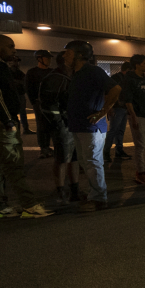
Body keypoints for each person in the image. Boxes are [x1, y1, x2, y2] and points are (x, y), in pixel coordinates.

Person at [0, 35, 52, 219]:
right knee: (13, 164)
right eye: (10, 46)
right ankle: (29, 205)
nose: (14, 49)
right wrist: (8, 120)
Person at [64, 40, 121, 212]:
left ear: (79, 55)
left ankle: (98, 199)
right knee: (86, 163)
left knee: (92, 163)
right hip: (79, 126)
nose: (65, 56)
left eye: (68, 53)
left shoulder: (92, 71)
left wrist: (102, 111)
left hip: (91, 127)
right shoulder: (76, 74)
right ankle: (94, 195)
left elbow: (116, 89)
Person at [38, 51, 81, 203]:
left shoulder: (74, 75)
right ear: (64, 59)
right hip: (63, 124)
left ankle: (75, 190)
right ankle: (61, 191)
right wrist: (59, 122)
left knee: (74, 158)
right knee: (62, 158)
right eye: (72, 55)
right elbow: (48, 104)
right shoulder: (55, 77)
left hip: (74, 123)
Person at [124, 54, 145, 184]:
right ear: (137, 65)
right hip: (138, 116)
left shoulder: (144, 79)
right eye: (144, 63)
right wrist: (133, 116)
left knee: (144, 144)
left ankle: (143, 169)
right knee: (140, 145)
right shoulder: (129, 79)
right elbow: (128, 100)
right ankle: (140, 173)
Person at [25, 49, 55, 159]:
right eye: (47, 58)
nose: (49, 60)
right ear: (39, 59)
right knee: (42, 126)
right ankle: (44, 148)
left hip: (52, 103)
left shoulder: (52, 71)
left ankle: (54, 146)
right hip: (40, 103)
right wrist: (34, 102)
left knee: (54, 125)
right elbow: (28, 88)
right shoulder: (32, 72)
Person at [104, 61, 133, 163]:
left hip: (123, 108)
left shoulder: (124, 78)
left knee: (120, 130)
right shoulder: (116, 78)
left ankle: (119, 151)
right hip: (117, 107)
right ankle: (106, 152)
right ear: (128, 70)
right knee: (113, 130)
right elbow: (108, 92)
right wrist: (110, 108)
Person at [7, 56, 33, 135]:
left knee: (22, 112)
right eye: (15, 61)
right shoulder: (7, 72)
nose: (17, 63)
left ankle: (26, 129)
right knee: (11, 113)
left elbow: (25, 82)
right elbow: (9, 82)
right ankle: (12, 129)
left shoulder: (19, 73)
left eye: (17, 61)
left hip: (20, 94)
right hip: (11, 96)